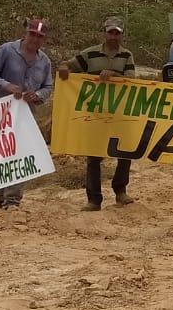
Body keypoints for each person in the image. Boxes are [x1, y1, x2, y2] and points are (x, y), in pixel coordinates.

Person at [58, 17, 137, 210]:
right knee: (93, 156)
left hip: (120, 113)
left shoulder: (127, 55)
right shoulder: (90, 54)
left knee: (124, 152)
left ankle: (120, 191)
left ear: (121, 35)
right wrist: (63, 67)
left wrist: (113, 75)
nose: (113, 36)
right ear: (104, 33)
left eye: (117, 32)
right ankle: (94, 199)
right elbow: (69, 64)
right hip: (94, 113)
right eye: (110, 32)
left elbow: (132, 80)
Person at [0, 18, 54, 209]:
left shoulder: (44, 61)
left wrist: (37, 95)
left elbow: (48, 86)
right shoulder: (6, 50)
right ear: (25, 33)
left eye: (40, 36)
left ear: (44, 40)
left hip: (26, 115)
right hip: (0, 112)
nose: (35, 39)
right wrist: (6, 85)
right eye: (33, 34)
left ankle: (13, 199)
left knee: (20, 155)